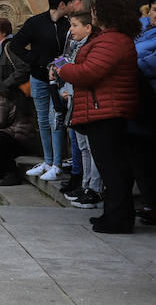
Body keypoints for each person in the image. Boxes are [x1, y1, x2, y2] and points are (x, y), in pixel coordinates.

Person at [57, 0, 139, 234]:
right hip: (104, 108)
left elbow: (88, 73)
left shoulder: (112, 40)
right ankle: (112, 215)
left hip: (107, 111)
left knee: (112, 168)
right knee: (110, 167)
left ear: (106, 11)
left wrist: (63, 70)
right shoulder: (111, 38)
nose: (92, 12)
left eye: (95, 8)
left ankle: (119, 219)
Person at [10, 0, 72, 182]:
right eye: (69, 3)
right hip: (38, 77)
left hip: (60, 79)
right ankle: (47, 160)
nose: (71, 6)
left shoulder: (67, 25)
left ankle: (57, 164)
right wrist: (34, 60)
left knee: (56, 119)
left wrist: (59, 66)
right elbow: (15, 45)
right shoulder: (35, 22)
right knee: (43, 120)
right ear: (62, 5)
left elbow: (69, 51)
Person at [56, 12, 101, 208]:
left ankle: (94, 188)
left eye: (75, 25)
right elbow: (65, 62)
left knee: (91, 148)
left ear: (88, 27)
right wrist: (55, 68)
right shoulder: (75, 45)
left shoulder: (91, 45)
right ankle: (85, 185)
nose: (71, 29)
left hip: (85, 101)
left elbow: (79, 70)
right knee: (82, 146)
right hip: (74, 100)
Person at [130, 0, 156, 225]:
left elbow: (143, 64)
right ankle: (150, 202)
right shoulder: (143, 29)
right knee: (141, 155)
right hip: (139, 101)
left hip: (150, 100)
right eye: (154, 9)